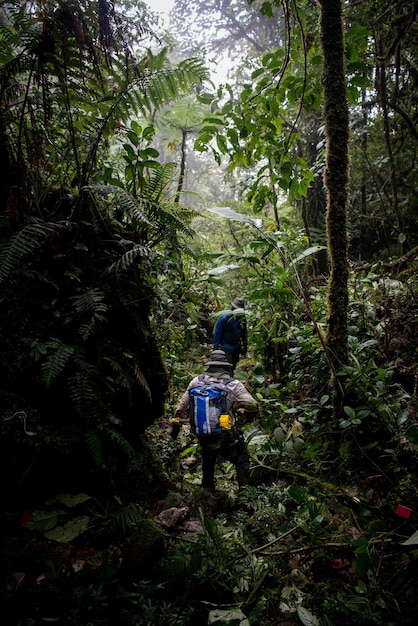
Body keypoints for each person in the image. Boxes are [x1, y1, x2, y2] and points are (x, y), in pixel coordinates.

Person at [171, 350, 258, 490]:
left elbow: (180, 409)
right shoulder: (233, 384)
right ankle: (244, 497)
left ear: (210, 365)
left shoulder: (196, 381)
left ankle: (207, 493)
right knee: (241, 460)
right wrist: (239, 409)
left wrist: (174, 434)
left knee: (208, 460)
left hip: (204, 435)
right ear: (226, 366)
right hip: (226, 436)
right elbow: (252, 405)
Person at [213, 297, 248, 372]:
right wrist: (216, 349)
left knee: (233, 366)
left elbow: (244, 333)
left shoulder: (242, 318)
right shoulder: (225, 317)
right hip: (225, 347)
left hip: (236, 347)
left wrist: (245, 346)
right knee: (226, 367)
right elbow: (217, 333)